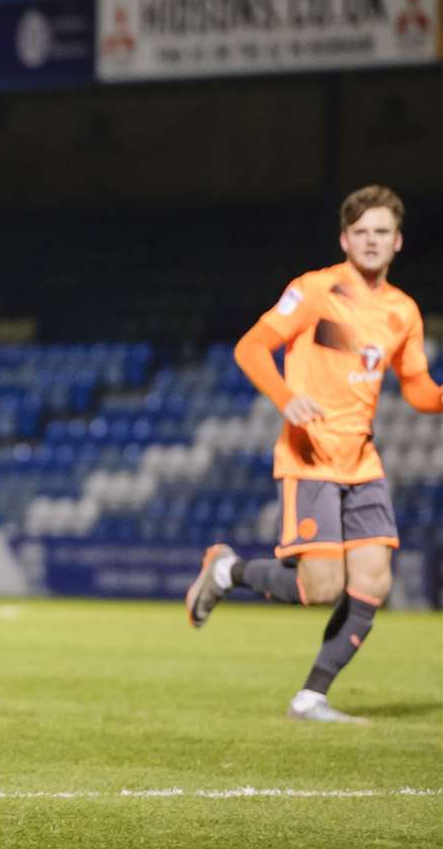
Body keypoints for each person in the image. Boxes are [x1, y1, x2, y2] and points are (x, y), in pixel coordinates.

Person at [185, 185, 441, 722]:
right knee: (320, 588)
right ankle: (228, 570)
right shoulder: (315, 290)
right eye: (362, 232)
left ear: (398, 242)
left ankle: (312, 696)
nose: (372, 241)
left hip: (362, 460)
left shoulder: (403, 312)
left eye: (382, 233)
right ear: (345, 238)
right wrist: (286, 398)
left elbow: (418, 390)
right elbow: (251, 347)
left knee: (373, 580)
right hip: (310, 455)